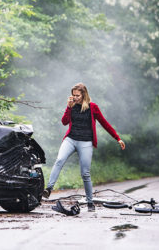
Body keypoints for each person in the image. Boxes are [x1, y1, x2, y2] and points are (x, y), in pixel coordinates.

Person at [43, 83, 125, 212]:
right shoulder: (71, 106)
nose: (75, 98)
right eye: (73, 95)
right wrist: (68, 107)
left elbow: (104, 123)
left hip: (85, 142)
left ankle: (90, 202)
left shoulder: (93, 107)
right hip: (71, 139)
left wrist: (117, 138)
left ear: (83, 95)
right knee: (59, 160)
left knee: (85, 173)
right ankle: (48, 189)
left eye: (77, 95)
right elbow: (64, 122)